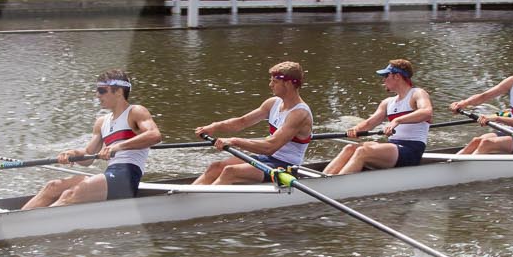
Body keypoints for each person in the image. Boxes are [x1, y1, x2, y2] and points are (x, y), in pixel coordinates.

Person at [22, 70, 163, 209]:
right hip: (111, 174)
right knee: (52, 186)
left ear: (119, 91)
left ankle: (33, 226)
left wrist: (117, 147)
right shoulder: (101, 122)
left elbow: (154, 135)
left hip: (127, 176)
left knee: (70, 194)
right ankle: (18, 221)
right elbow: (88, 157)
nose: (97, 95)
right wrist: (73, 154)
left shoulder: (136, 112)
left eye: (102, 91)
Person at [192, 60, 314, 184]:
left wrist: (234, 141)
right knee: (215, 167)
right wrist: (214, 126)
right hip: (266, 159)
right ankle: (185, 197)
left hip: (285, 166)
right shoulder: (273, 103)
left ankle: (202, 201)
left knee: (230, 171)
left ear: (288, 84)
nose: (270, 85)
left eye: (275, 82)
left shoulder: (299, 114)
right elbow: (242, 122)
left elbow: (270, 147)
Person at [326, 58, 433, 174]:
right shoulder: (388, 102)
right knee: (349, 148)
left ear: (397, 76)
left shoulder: (417, 93)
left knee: (362, 152)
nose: (383, 80)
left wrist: (397, 120)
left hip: (411, 150)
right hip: (394, 148)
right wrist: (356, 129)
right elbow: (369, 123)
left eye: (386, 76)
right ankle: (322, 180)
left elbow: (427, 112)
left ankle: (338, 187)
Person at [451, 51, 513, 154]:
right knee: (476, 141)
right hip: (512, 132)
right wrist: (463, 103)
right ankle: (452, 164)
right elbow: (484, 96)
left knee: (487, 142)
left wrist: (496, 118)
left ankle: (470, 167)